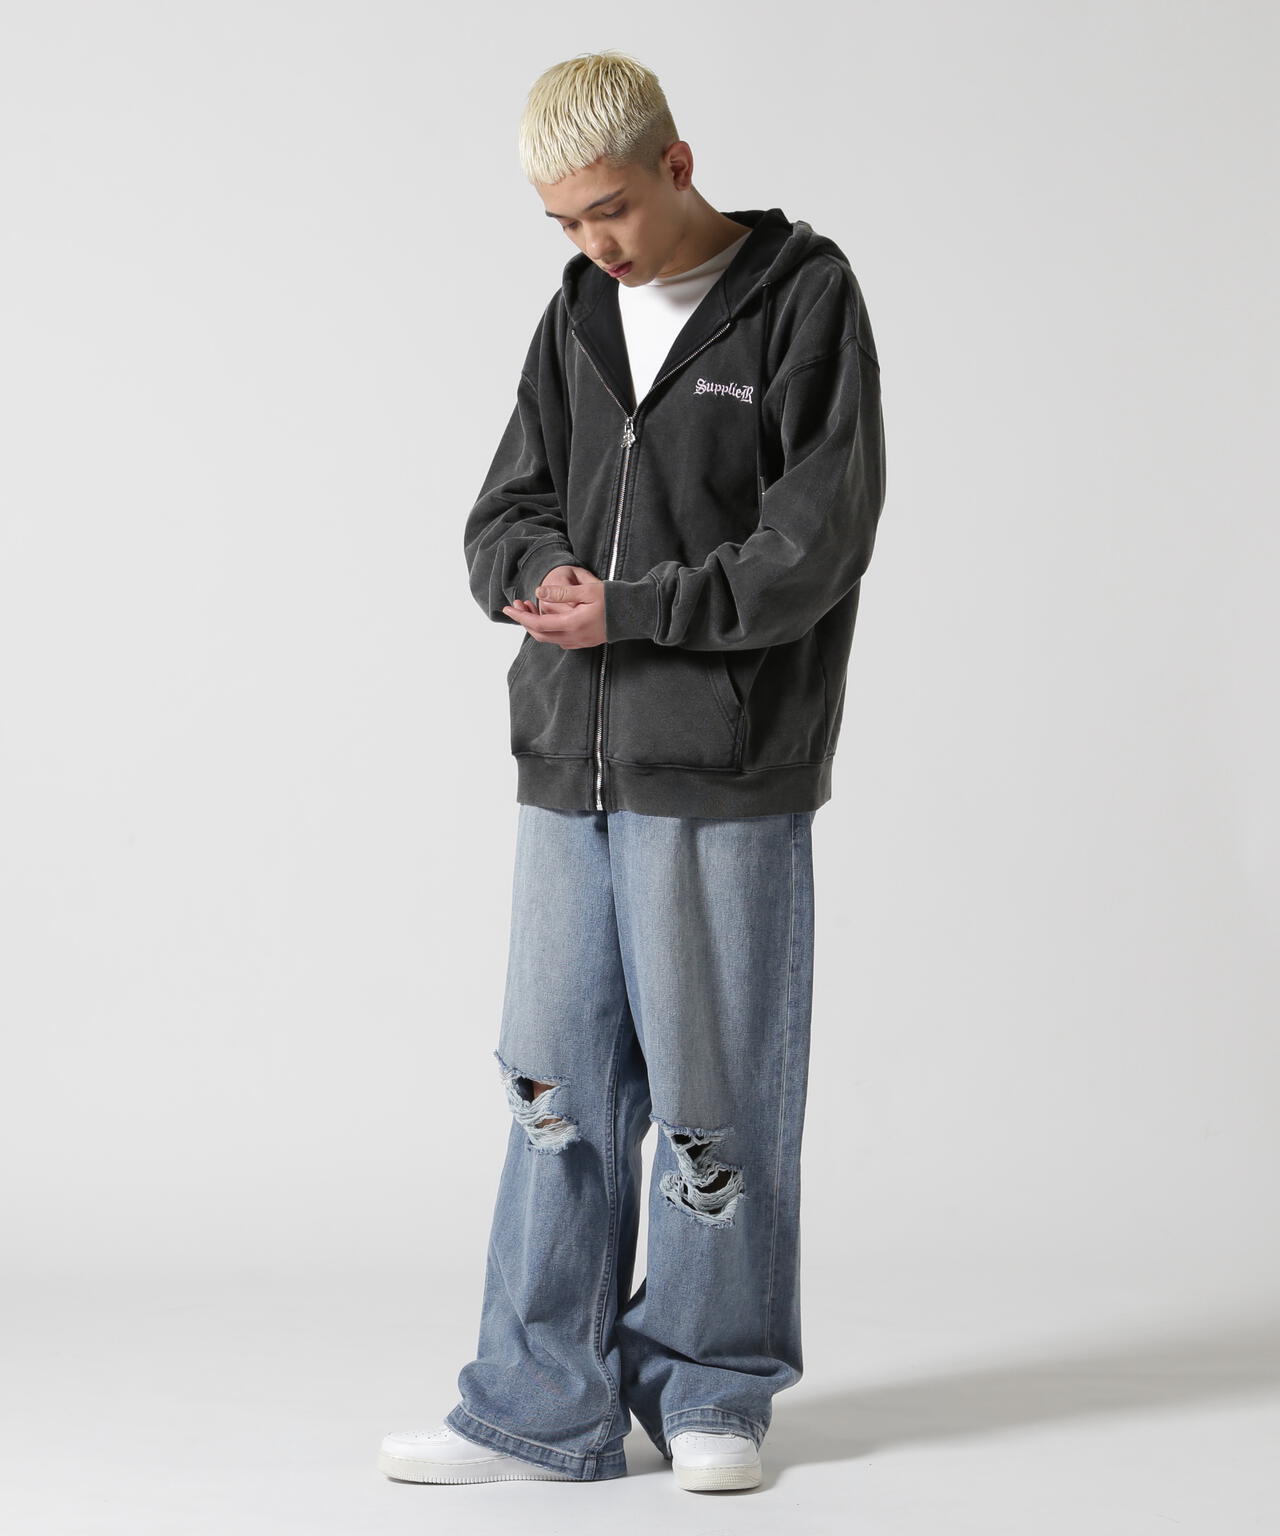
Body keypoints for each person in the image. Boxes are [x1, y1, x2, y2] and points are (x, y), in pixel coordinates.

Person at [378, 49, 886, 1492]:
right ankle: (537, 1402)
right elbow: (506, 504)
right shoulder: (577, 314)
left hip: (720, 765)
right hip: (568, 761)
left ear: (677, 162)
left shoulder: (803, 299)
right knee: (551, 1090)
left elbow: (816, 543)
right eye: (563, 222)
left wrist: (638, 609)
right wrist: (532, 571)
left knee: (715, 1102)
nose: (593, 243)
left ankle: (715, 1386)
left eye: (608, 209)